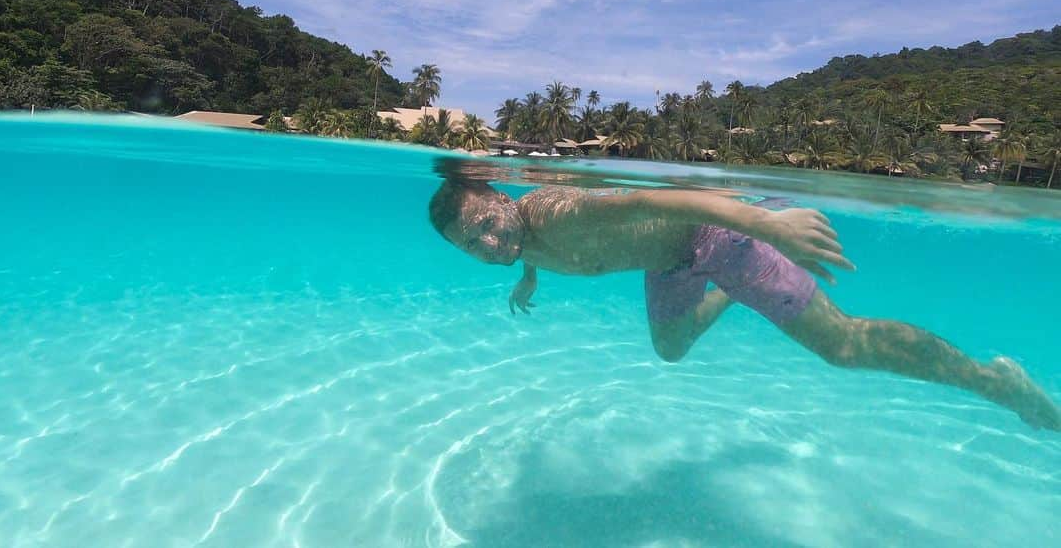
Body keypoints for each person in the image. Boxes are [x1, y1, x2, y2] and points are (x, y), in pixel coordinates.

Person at [429, 179, 1061, 431]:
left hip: (718, 236)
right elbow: (529, 247)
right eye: (470, 245)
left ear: (502, 197)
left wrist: (771, 225)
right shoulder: (523, 239)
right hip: (669, 262)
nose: (489, 244)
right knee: (671, 347)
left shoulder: (550, 211)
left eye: (488, 223)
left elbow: (668, 202)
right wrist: (527, 279)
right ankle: (730, 295)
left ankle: (992, 380)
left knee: (843, 346)